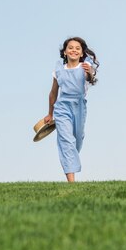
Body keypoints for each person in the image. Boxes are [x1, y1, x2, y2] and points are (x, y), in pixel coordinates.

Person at [44, 37, 99, 182]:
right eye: (70, 47)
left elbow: (90, 78)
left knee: (77, 140)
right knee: (66, 140)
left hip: (79, 107)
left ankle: (71, 162)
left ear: (81, 53)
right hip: (62, 108)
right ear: (65, 52)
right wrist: (50, 113)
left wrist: (90, 72)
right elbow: (53, 93)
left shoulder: (86, 67)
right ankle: (71, 182)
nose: (73, 50)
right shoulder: (59, 70)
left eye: (77, 48)